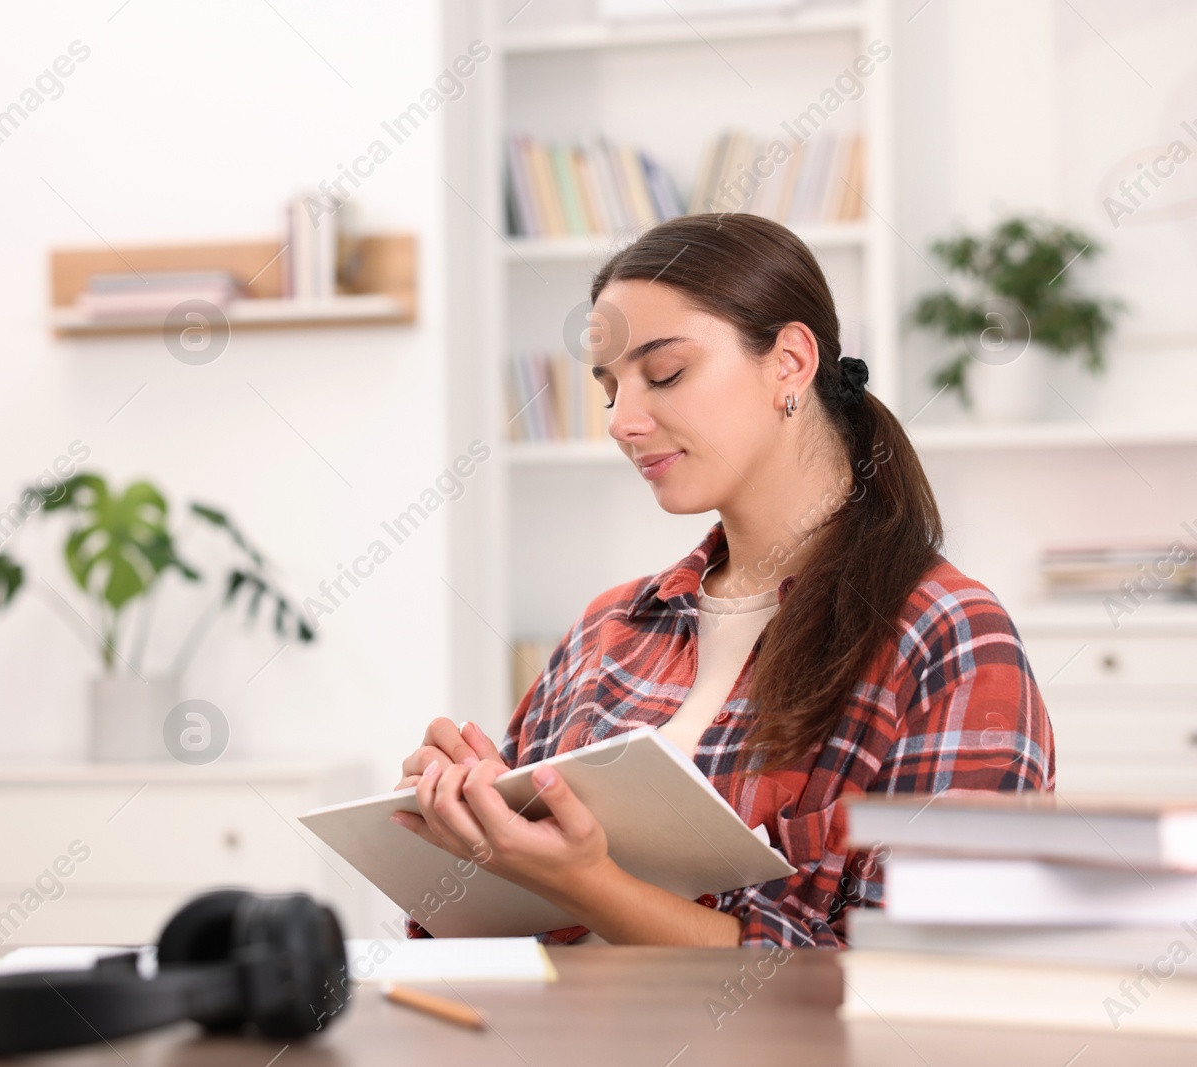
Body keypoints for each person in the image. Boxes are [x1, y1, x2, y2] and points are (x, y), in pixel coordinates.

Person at [392, 214, 1055, 948]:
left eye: (665, 372)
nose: (622, 421)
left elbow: (930, 985)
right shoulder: (610, 629)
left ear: (791, 363)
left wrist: (592, 884)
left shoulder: (947, 635)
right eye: (611, 389)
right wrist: (465, 826)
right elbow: (505, 935)